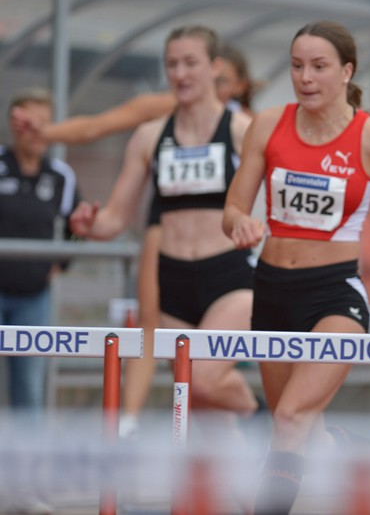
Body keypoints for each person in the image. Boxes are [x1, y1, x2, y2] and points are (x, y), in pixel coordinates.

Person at [223, 20, 370, 515]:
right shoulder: (267, 125)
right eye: (297, 66)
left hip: (335, 295)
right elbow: (234, 208)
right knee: (300, 429)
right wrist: (240, 224)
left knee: (290, 420)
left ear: (346, 71)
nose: (305, 78)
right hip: (272, 289)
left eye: (319, 67)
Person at [13, 41, 263, 438]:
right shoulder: (151, 128)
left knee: (198, 379)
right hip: (173, 272)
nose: (180, 73)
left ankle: (260, 413)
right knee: (206, 416)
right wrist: (86, 225)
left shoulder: (242, 127)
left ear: (215, 70)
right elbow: (101, 156)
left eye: (190, 64)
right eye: (172, 64)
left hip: (228, 273)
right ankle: (248, 495)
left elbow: (289, 173)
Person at [0, 88, 81, 412]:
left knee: (29, 389)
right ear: (13, 124)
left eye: (43, 122)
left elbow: (80, 226)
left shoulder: (61, 175)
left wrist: (61, 263)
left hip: (35, 296)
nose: (35, 130)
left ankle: (26, 462)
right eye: (27, 122)